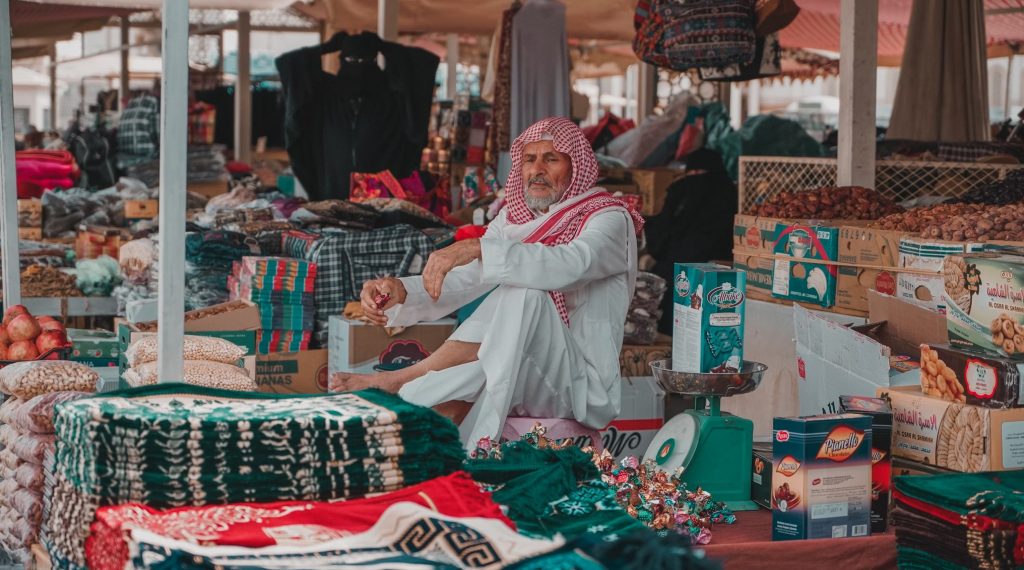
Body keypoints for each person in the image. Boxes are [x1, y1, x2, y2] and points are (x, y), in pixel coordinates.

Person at [331, 117, 644, 447]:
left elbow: (569, 265)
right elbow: (465, 280)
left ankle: (400, 380)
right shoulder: (515, 218)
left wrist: (476, 246)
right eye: (528, 159)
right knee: (456, 381)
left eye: (550, 159)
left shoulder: (608, 218)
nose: (536, 169)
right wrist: (402, 292)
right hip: (519, 364)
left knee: (526, 294)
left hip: (578, 386)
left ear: (575, 165)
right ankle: (416, 403)